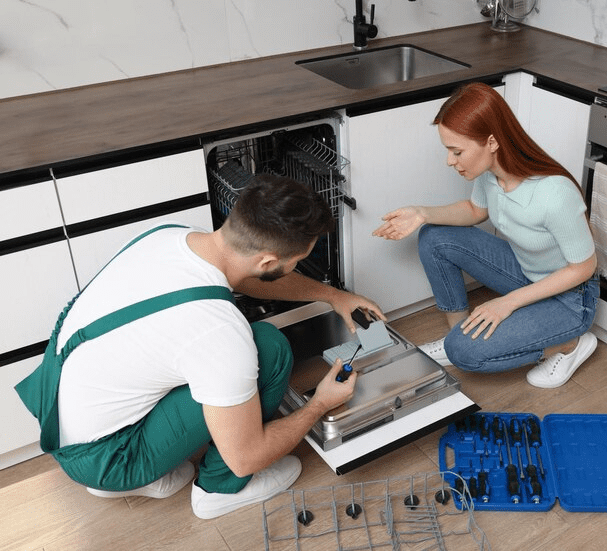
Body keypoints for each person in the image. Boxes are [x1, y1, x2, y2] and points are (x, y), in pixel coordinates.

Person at [15, 173, 386, 520]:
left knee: (207, 365)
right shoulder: (218, 334)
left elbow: (248, 278)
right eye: (298, 262)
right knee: (269, 350)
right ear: (269, 261)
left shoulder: (174, 237)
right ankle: (219, 491)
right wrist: (320, 403)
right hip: (106, 456)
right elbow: (246, 457)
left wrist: (332, 295)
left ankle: (131, 474)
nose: (298, 266)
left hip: (62, 415)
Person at [373, 82, 599, 388]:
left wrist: (507, 303)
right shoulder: (493, 175)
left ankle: (569, 345)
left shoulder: (555, 194)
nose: (449, 161)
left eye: (457, 151)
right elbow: (475, 210)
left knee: (463, 353)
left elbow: (584, 268)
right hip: (526, 271)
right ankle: (458, 331)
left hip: (569, 299)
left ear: (491, 142)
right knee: (434, 236)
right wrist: (422, 213)